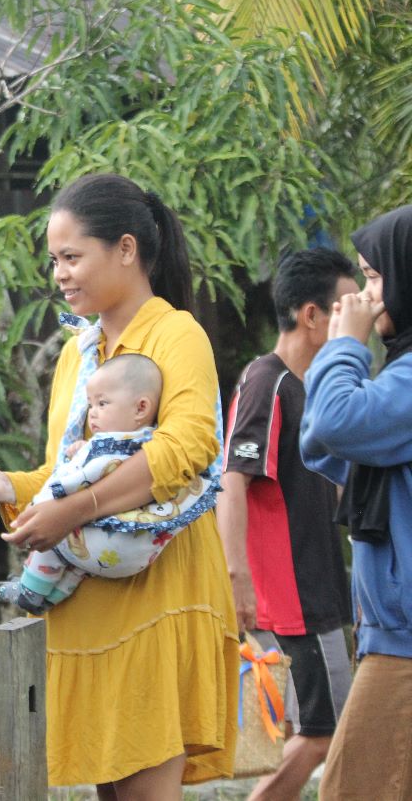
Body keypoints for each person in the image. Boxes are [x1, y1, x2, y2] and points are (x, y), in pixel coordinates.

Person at [0, 172, 238, 798]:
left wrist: (76, 511)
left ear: (126, 248)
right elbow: (61, 475)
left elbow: (186, 449)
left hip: (157, 591)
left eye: (72, 257)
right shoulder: (78, 352)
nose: (60, 274)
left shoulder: (176, 333)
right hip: (89, 604)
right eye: (54, 261)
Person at [216, 248, 356, 801]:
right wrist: (237, 576)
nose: (358, 320)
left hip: (314, 587)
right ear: (311, 315)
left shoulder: (310, 385)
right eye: (346, 307)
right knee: (326, 732)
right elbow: (233, 478)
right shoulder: (267, 381)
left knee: (305, 728)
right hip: (290, 598)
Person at [300, 205, 412, 800]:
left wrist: (344, 346)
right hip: (391, 632)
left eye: (374, 277)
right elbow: (321, 440)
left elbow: (336, 422)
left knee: (351, 790)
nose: (364, 296)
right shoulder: (399, 375)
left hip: (406, 642)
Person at [0, 353, 216, 613]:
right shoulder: (151, 442)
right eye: (91, 405)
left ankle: (30, 589)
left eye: (102, 403)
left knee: (59, 535)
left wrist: (47, 504)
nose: (93, 413)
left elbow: (74, 481)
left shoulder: (107, 448)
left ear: (141, 408)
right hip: (139, 549)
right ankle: (52, 596)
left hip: (111, 544)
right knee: (80, 563)